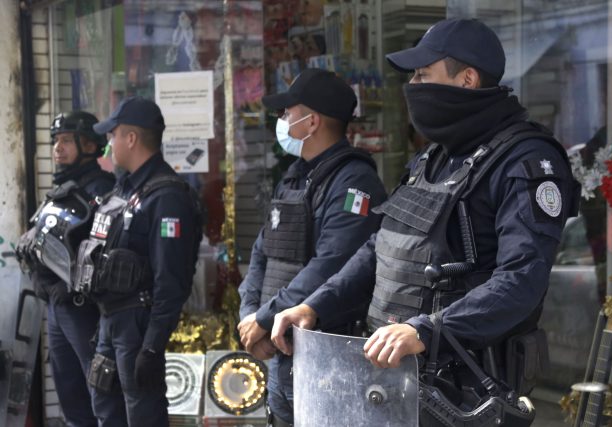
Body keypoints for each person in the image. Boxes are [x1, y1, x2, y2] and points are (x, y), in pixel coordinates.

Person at [271, 18, 581, 425]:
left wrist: (428, 330)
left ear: (467, 78)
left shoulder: (525, 161)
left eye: (423, 74)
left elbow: (522, 280)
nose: (413, 87)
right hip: (396, 385)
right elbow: (380, 247)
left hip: (466, 393)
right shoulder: (432, 158)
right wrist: (314, 305)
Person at [237, 68, 386, 427]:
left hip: (327, 357)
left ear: (312, 121)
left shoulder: (354, 181)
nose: (281, 120)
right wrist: (251, 314)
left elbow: (333, 263)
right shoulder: (295, 176)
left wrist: (264, 317)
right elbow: (263, 251)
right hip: (282, 351)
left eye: (287, 112)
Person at [74, 97, 202, 426]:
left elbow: (170, 281)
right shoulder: (125, 189)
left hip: (137, 328)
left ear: (130, 138)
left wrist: (152, 346)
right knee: (106, 409)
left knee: (142, 415)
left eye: (112, 135)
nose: (108, 144)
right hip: (109, 321)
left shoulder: (166, 196)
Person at [16, 111, 114, 427]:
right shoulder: (63, 189)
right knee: (68, 390)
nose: (58, 148)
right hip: (57, 306)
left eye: (67, 141)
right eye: (56, 141)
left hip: (83, 308)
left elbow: (105, 254)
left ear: (89, 145)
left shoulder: (103, 190)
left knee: (99, 392)